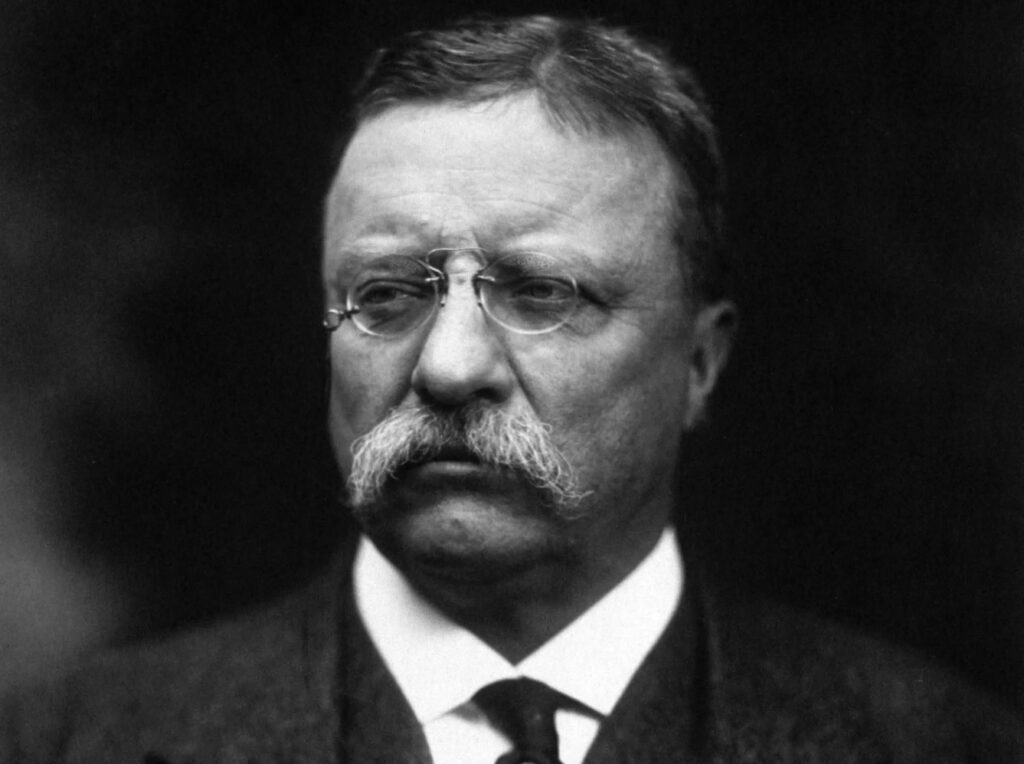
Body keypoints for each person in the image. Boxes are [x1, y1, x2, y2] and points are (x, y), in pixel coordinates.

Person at [2, 14, 1021, 764]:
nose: (448, 367)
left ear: (700, 364)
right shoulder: (65, 742)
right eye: (386, 294)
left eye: (542, 292)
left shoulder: (940, 744)